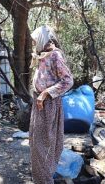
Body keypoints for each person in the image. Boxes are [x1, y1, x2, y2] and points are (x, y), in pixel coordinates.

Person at [29, 25, 74, 183]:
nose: (34, 44)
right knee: (36, 143)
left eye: (35, 41)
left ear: (43, 39)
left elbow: (68, 81)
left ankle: (45, 180)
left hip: (49, 105)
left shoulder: (55, 55)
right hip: (39, 103)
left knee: (45, 145)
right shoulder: (43, 55)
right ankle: (39, 178)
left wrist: (45, 93)